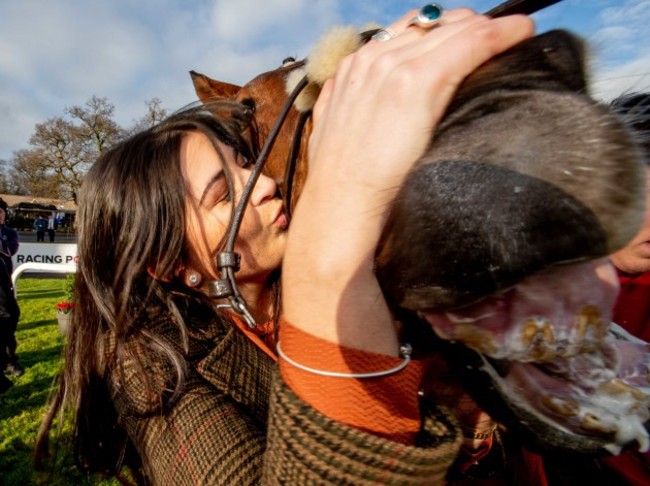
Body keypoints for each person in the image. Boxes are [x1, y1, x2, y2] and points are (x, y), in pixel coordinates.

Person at [35, 7, 537, 483]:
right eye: (225, 193)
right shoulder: (148, 366)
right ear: (169, 262)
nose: (264, 184)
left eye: (245, 164)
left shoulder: (345, 275)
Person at [0, 207, 22, 383]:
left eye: (1, 212)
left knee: (12, 315)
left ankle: (9, 355)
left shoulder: (9, 232)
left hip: (4, 283)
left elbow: (10, 251)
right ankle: (7, 361)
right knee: (5, 317)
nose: (0, 215)